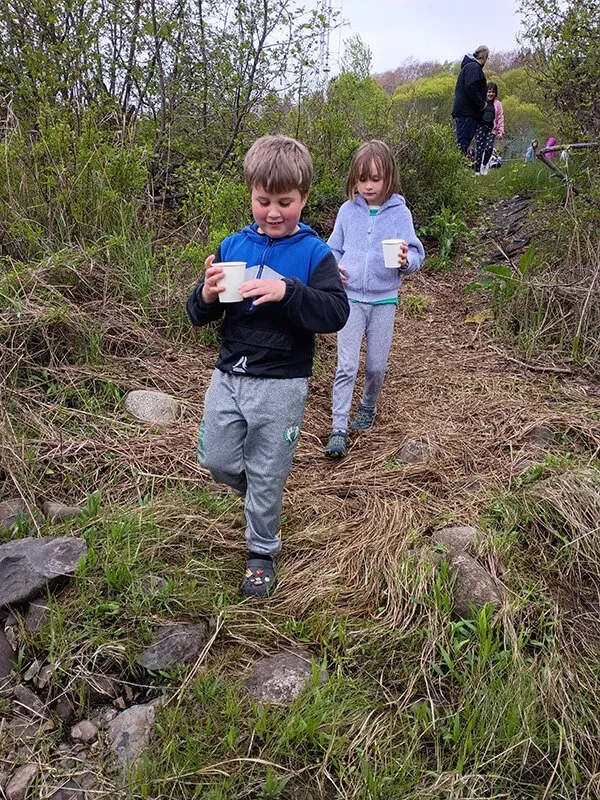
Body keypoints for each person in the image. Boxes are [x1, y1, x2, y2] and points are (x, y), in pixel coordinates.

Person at [186, 135, 349, 597]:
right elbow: (199, 314)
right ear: (251, 196)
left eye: (285, 202)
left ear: (304, 199)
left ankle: (262, 549)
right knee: (215, 459)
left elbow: (336, 313)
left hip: (282, 384)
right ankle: (260, 498)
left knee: (268, 470)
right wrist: (206, 294)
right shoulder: (232, 244)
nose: (273, 212)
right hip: (229, 376)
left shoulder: (315, 254)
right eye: (263, 201)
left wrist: (289, 292)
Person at [324, 140, 425, 458]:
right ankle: (339, 427)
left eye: (376, 179)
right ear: (354, 179)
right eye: (362, 178)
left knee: (376, 366)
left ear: (389, 178)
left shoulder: (400, 213)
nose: (368, 186)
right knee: (347, 365)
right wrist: (332, 270)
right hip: (350, 298)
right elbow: (332, 249)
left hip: (384, 300)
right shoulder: (347, 211)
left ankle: (368, 404)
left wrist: (406, 260)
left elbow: (417, 254)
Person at [451, 45, 489, 156]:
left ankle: (460, 169)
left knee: (463, 143)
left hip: (466, 113)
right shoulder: (473, 68)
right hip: (467, 113)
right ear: (485, 56)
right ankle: (458, 171)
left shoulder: (469, 67)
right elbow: (470, 87)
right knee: (462, 145)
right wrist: (482, 104)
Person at [475, 82, 504, 175]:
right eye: (489, 91)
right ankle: (477, 170)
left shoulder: (498, 104)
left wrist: (500, 131)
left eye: (493, 92)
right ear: (485, 92)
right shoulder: (481, 101)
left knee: (489, 148)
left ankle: (484, 164)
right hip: (480, 128)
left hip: (491, 129)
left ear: (495, 93)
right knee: (479, 149)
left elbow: (500, 117)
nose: (491, 94)